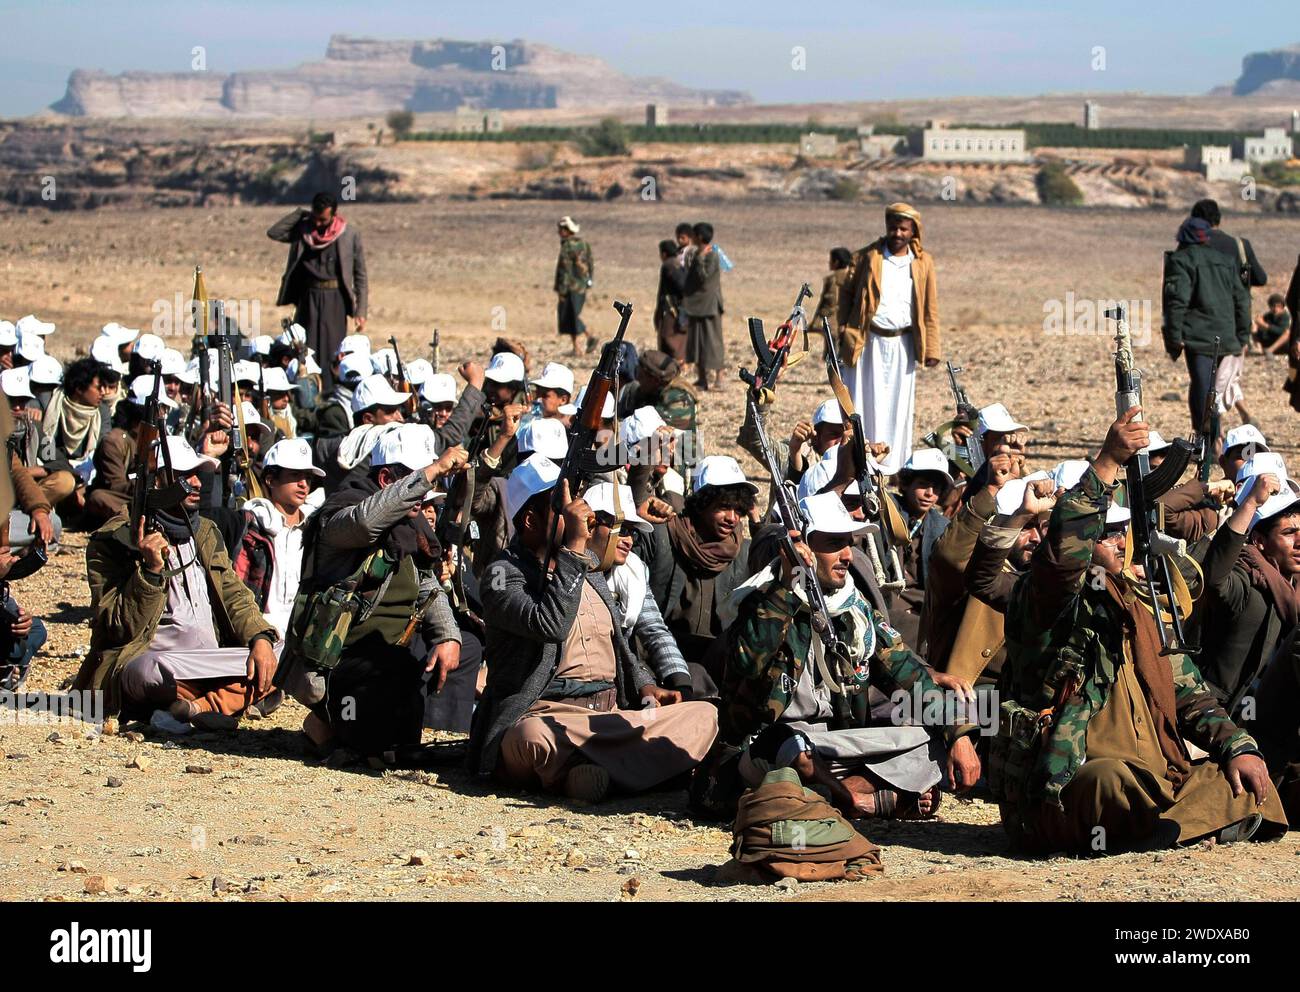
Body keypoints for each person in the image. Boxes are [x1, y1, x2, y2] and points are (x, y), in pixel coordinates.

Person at [992, 408, 1288, 852]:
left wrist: (1237, 746)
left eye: (1119, 531)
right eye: (1103, 533)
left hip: (1157, 778)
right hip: (1071, 779)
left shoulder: (1139, 603)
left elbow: (1191, 694)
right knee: (1107, 780)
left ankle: (1164, 826)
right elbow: (1062, 557)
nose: (1114, 542)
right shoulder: (1044, 600)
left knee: (1244, 780)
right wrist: (1109, 459)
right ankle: (1177, 826)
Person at [706, 492, 980, 821]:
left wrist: (959, 735)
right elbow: (749, 663)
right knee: (790, 744)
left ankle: (824, 797)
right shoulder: (763, 603)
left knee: (934, 736)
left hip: (835, 746)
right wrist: (787, 587)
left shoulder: (857, 612)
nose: (847, 555)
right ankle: (856, 801)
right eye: (833, 543)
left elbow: (912, 678)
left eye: (848, 542)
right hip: (768, 751)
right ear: (802, 548)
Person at [470, 457, 718, 801]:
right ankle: (634, 771)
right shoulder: (502, 574)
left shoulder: (588, 571)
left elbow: (619, 644)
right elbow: (550, 624)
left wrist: (646, 684)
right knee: (530, 739)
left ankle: (590, 774)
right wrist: (573, 548)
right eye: (564, 508)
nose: (580, 515)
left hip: (607, 719)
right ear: (531, 520)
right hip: (548, 715)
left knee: (704, 715)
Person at [281, 425, 468, 760]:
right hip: (338, 660)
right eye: (414, 480)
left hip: (392, 656)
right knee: (365, 744)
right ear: (386, 481)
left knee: (401, 745)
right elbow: (366, 523)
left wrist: (447, 635)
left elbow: (427, 584)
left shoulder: (411, 529)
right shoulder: (339, 518)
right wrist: (433, 470)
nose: (423, 493)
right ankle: (325, 724)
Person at [75, 435, 281, 730]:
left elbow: (234, 593)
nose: (198, 483)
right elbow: (115, 626)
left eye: (198, 475)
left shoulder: (206, 531)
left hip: (210, 662)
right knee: (148, 673)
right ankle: (232, 698)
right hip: (157, 663)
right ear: (156, 483)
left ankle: (196, 707)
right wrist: (150, 572)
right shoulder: (112, 540)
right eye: (186, 476)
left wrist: (259, 638)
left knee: (282, 651)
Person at [633, 455, 756, 696]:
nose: (732, 518)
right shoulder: (662, 535)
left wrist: (759, 522)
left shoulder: (744, 553)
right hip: (659, 656)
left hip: (718, 663)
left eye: (738, 509)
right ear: (702, 503)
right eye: (723, 507)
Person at [836, 202, 941, 474]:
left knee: (898, 405)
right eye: (893, 227)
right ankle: (860, 462)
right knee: (862, 400)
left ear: (912, 231)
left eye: (903, 228)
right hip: (866, 341)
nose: (897, 233)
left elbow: (930, 306)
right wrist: (843, 332)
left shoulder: (922, 263)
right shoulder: (867, 257)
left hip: (903, 344)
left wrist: (932, 348)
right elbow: (845, 294)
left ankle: (893, 467)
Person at [1195, 462, 1299, 715]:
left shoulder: (1294, 584)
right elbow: (1215, 579)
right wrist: (1250, 504)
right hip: (1227, 718)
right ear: (1260, 541)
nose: (1299, 542)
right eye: (1289, 533)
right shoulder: (1247, 580)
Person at [1162, 215, 1251, 446]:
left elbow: (1176, 302)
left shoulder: (1181, 261)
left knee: (1203, 387)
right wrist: (1242, 335)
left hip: (1199, 338)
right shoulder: (1225, 260)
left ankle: (1209, 442)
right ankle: (1212, 439)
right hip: (1227, 337)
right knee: (1213, 388)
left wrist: (1173, 336)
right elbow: (1242, 299)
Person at [267, 192, 368, 390]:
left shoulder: (349, 234)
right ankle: (306, 393)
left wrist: (361, 311)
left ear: (333, 215)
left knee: (333, 350)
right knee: (305, 348)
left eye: (323, 219)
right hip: (308, 299)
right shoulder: (304, 230)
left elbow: (360, 275)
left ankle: (330, 393)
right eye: (316, 217)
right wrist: (300, 214)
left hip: (335, 300)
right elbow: (274, 232)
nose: (319, 224)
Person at [230, 439, 324, 638]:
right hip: (261, 634)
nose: (303, 484)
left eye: (307, 477)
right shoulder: (251, 527)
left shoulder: (317, 528)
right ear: (270, 480)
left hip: (304, 634)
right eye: (295, 475)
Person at [890, 448, 953, 646]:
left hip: (923, 600)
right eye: (923, 485)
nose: (929, 494)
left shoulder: (942, 526)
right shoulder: (888, 510)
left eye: (935, 489)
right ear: (907, 483)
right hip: (890, 596)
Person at [682, 222, 726, 392]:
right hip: (696, 305)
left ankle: (719, 377)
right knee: (697, 342)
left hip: (709, 306)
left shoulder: (711, 255)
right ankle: (701, 378)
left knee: (713, 342)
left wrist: (699, 258)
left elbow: (704, 277)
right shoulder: (698, 253)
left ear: (699, 237)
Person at [1191, 198, 1267, 288]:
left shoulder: (1190, 246)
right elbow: (1261, 279)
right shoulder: (1241, 245)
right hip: (1235, 300)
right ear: (1218, 218)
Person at [554, 216, 594, 356]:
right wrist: (589, 281)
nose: (559, 232)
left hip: (570, 288)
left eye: (561, 229)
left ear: (566, 230)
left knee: (570, 316)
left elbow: (564, 270)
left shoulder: (567, 246)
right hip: (581, 287)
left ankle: (588, 338)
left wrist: (562, 290)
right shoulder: (584, 244)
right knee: (572, 316)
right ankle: (576, 347)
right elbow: (590, 264)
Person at [812, 247, 853, 355]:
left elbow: (827, 304)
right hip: (852, 329)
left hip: (835, 328)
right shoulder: (855, 277)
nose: (829, 263)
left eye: (831, 260)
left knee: (833, 362)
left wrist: (815, 323)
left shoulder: (833, 280)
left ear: (836, 262)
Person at [654, 238, 688, 363]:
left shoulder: (669, 265)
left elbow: (682, 287)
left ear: (663, 253)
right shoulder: (678, 263)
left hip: (671, 311)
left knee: (669, 341)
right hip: (677, 310)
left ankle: (674, 369)